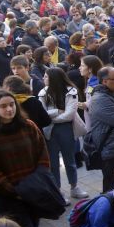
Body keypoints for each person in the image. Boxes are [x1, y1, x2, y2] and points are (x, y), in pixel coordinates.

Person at [0, 90, 49, 227]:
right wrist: (13, 189)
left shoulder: (28, 126)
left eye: (11, 105)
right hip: (7, 197)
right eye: (3, 106)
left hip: (33, 193)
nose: (9, 109)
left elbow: (42, 154)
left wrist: (39, 179)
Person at [39, 67, 88, 201]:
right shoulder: (42, 92)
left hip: (66, 128)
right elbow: (42, 114)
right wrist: (57, 112)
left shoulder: (71, 91)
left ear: (54, 78)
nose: (43, 79)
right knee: (53, 163)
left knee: (70, 159)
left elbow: (69, 115)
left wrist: (52, 117)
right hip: (50, 130)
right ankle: (58, 190)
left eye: (46, 76)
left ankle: (74, 187)